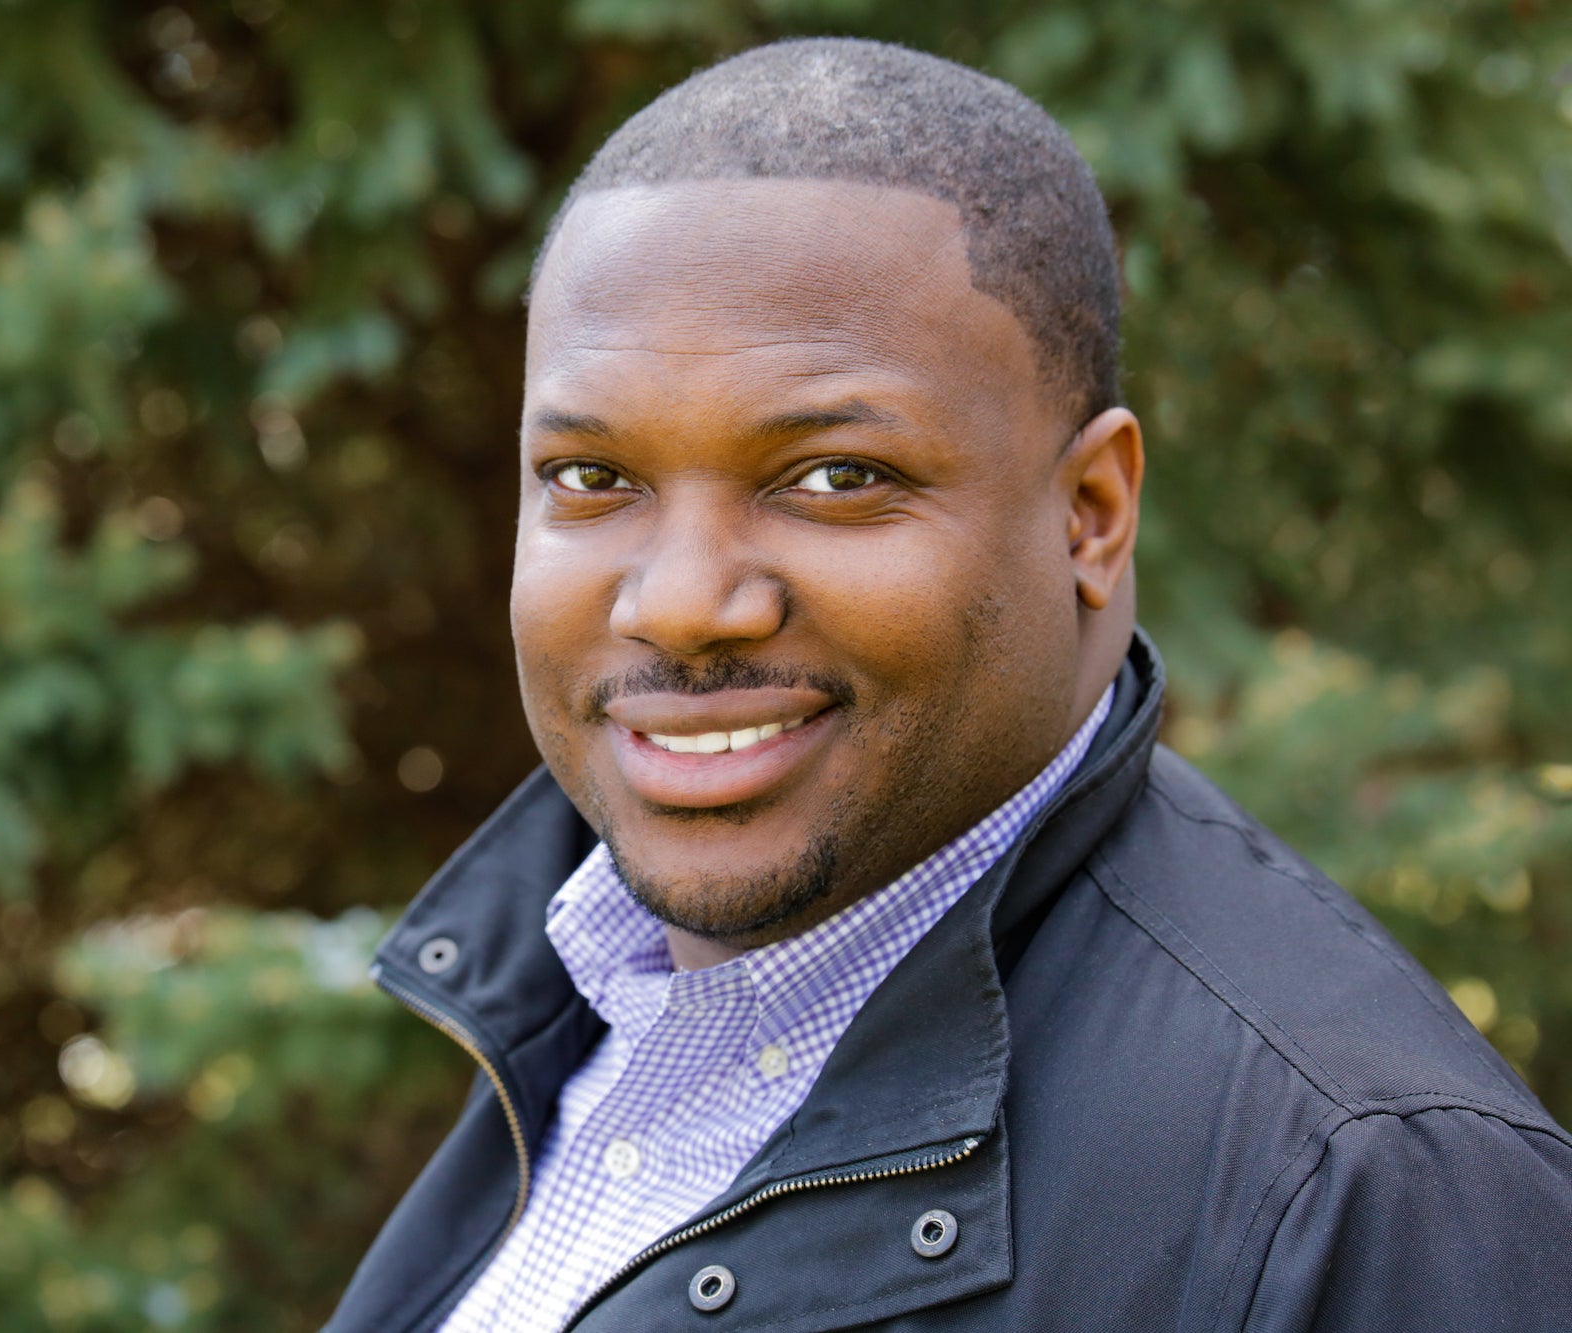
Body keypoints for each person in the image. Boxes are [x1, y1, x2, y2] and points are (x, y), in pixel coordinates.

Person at [326, 37, 1572, 1333]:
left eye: (835, 477)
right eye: (594, 480)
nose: (684, 600)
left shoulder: (1364, 1196)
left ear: (1090, 513)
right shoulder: (584, 991)